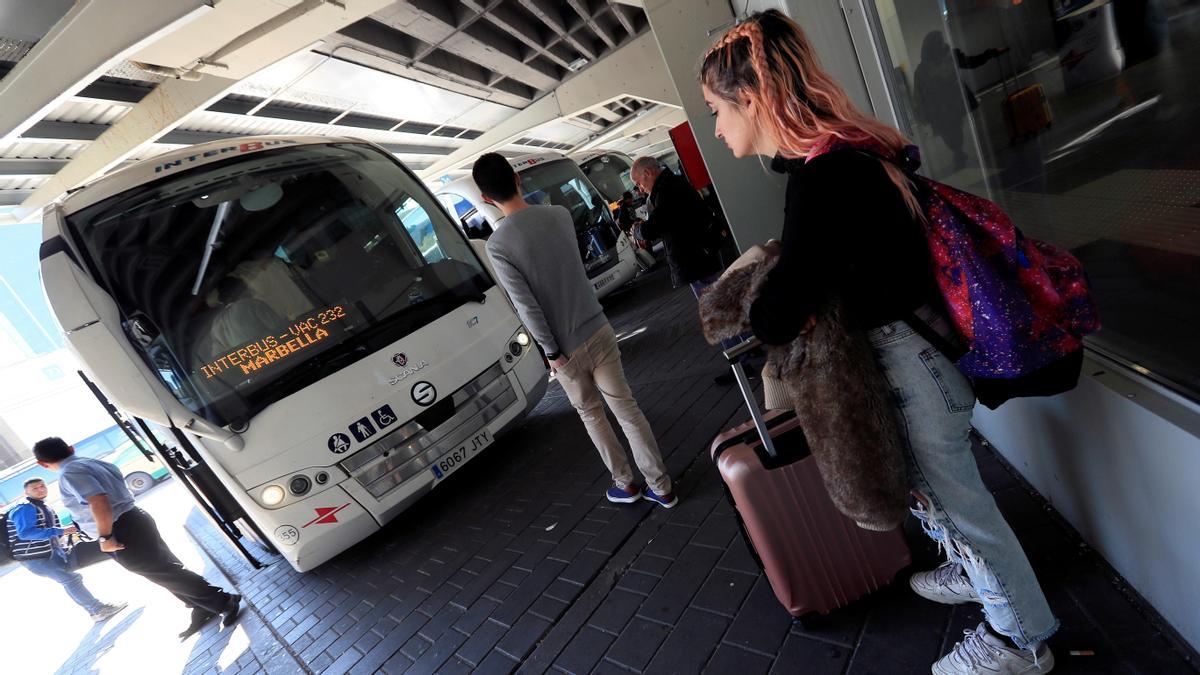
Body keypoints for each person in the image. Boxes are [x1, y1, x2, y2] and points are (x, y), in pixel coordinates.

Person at [699, 10, 1057, 674]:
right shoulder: (846, 153)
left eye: (718, 109)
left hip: (906, 365)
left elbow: (778, 313)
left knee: (962, 507)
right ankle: (978, 575)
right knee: (943, 497)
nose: (716, 128)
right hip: (917, 356)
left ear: (750, 99)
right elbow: (822, 276)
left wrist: (779, 301)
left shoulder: (823, 179)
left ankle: (1020, 637)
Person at [471, 153, 677, 508]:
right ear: (518, 180)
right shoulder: (559, 215)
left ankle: (625, 484)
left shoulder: (498, 247)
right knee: (627, 409)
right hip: (597, 328)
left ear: (485, 198)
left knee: (592, 414)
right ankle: (661, 485)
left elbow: (527, 306)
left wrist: (552, 354)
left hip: (565, 350)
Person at [32, 437, 243, 639]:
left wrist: (105, 537)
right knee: (164, 567)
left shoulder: (70, 473)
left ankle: (223, 601)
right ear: (71, 448)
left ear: (42, 464)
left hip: (120, 528)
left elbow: (98, 501)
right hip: (133, 518)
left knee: (162, 571)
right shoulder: (93, 462)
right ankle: (201, 606)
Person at [631, 156, 749, 384]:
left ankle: (740, 363)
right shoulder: (673, 184)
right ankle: (746, 347)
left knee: (715, 311)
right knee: (722, 305)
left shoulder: (666, 191)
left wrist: (638, 231)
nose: (640, 188)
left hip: (694, 261)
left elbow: (654, 227)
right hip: (700, 256)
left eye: (638, 182)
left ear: (647, 172)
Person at [6, 478, 127, 622]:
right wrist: (61, 531)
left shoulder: (40, 505)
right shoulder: (25, 508)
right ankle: (98, 611)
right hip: (35, 558)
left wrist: (64, 535)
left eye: (42, 486)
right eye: (35, 488)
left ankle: (97, 610)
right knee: (70, 579)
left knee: (73, 575)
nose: (41, 489)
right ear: (26, 492)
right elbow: (25, 533)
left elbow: (47, 529)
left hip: (48, 553)